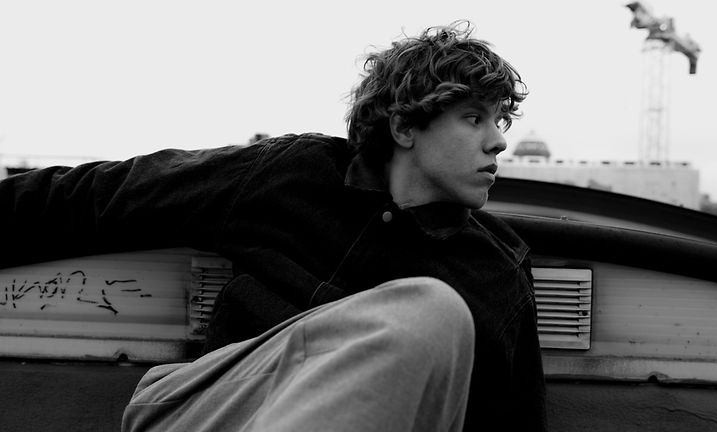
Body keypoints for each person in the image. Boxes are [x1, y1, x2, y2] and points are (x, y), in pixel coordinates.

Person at [0, 21, 546, 431]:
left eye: (500, 120)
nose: (498, 141)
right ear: (404, 127)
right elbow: (103, 195)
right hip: (207, 407)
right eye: (474, 118)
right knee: (430, 311)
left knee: (433, 318)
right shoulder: (292, 175)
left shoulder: (497, 271)